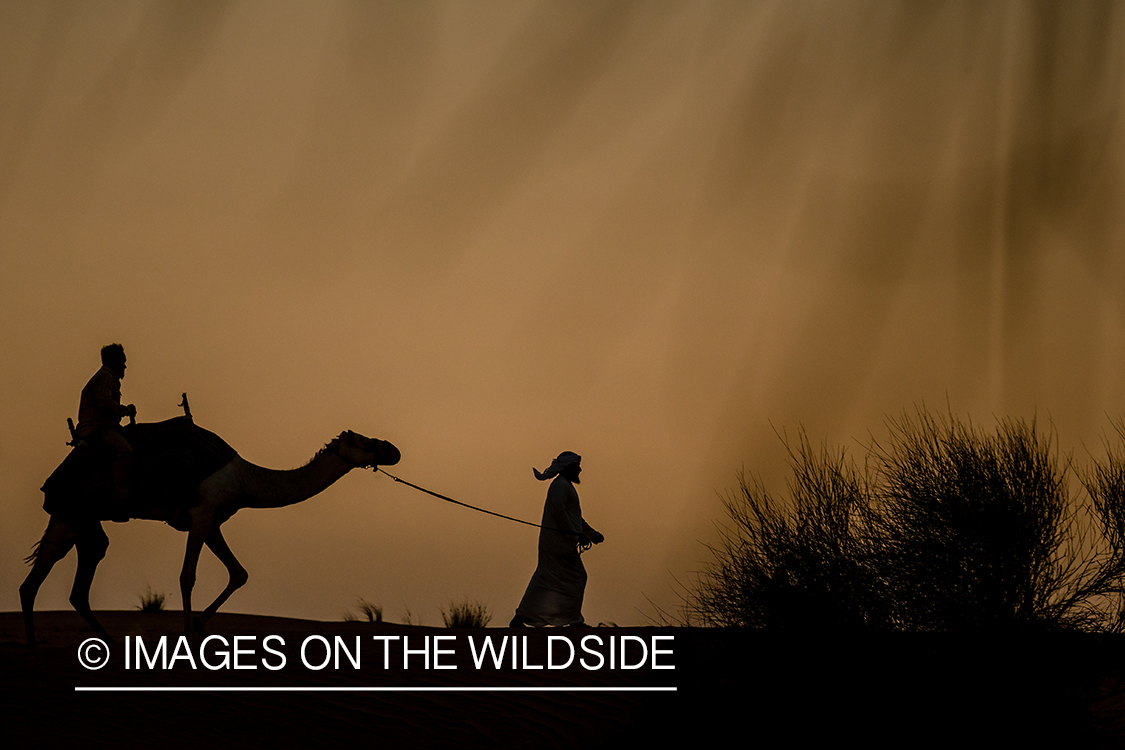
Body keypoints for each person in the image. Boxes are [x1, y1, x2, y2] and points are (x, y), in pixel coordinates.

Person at [510, 451, 605, 627]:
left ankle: (522, 617)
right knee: (576, 577)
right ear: (569, 468)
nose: (580, 470)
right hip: (557, 544)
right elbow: (560, 514)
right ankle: (573, 621)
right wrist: (576, 535)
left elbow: (575, 518)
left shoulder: (565, 486)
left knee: (547, 578)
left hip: (562, 542)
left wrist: (592, 534)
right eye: (577, 467)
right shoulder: (560, 486)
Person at [75, 343, 136, 521]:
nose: (125, 366)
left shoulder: (108, 378)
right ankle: (121, 502)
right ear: (114, 361)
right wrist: (125, 410)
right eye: (122, 361)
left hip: (104, 427)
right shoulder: (105, 377)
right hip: (95, 428)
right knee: (124, 451)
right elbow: (104, 403)